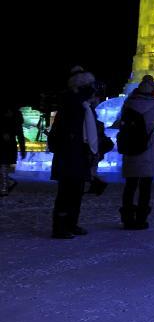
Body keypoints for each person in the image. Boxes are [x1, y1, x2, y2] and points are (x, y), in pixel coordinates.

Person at [48, 67, 98, 238]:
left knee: (76, 191)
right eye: (89, 84)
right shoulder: (71, 104)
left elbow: (92, 128)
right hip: (69, 153)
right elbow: (59, 131)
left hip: (80, 152)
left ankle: (71, 223)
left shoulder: (86, 106)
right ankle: (60, 227)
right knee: (66, 192)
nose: (93, 87)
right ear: (81, 86)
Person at [117, 75, 154, 230]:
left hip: (131, 148)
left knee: (130, 186)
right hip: (148, 150)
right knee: (145, 187)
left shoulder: (128, 103)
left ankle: (127, 218)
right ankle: (141, 219)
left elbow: (120, 122)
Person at [0, 99, 27, 196]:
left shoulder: (15, 116)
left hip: (8, 145)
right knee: (3, 166)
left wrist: (23, 149)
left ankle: (4, 188)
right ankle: (6, 185)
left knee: (3, 165)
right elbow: (19, 133)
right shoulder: (14, 115)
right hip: (8, 144)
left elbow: (19, 133)